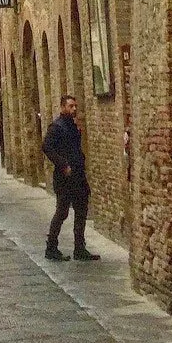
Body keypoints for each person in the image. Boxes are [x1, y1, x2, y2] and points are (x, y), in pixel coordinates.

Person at [42, 94, 99, 261]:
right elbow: (46, 147)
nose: (74, 109)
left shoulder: (73, 126)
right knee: (62, 212)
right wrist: (63, 164)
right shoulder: (56, 127)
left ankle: (79, 248)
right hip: (64, 177)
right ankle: (51, 247)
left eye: (75, 106)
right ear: (62, 108)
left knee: (81, 210)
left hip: (78, 176)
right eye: (70, 106)